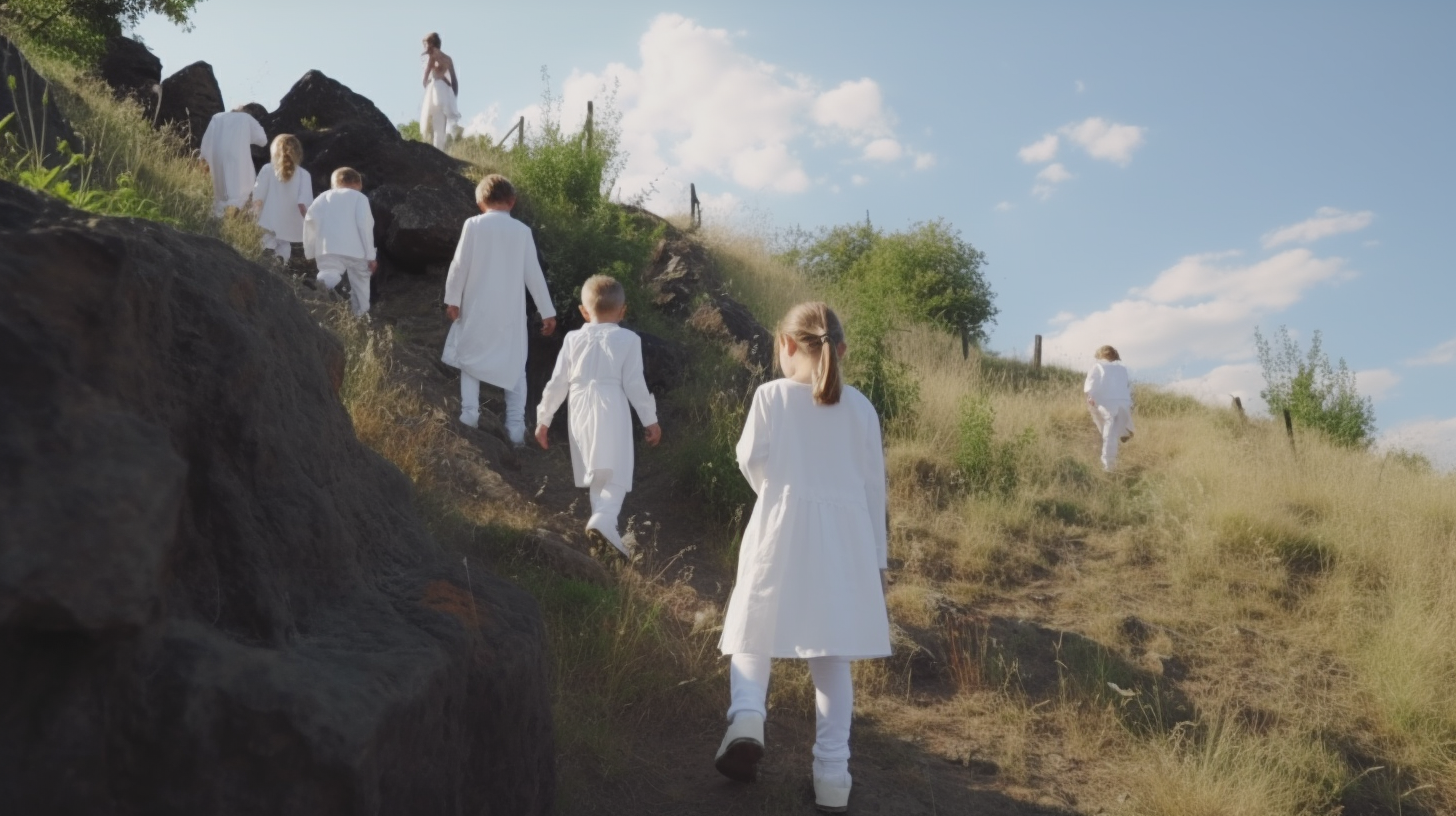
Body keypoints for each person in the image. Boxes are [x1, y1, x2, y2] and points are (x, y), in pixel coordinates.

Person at [715, 301, 891, 814]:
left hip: (780, 525)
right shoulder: (862, 407)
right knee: (832, 655)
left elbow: (750, 460)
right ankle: (833, 774)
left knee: (755, 624)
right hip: (847, 537)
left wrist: (778, 493)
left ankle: (747, 717)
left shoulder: (770, 396)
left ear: (787, 346)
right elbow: (873, 488)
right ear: (841, 349)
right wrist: (877, 560)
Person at [534, 275, 662, 558]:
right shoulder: (628, 339)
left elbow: (557, 382)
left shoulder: (572, 339)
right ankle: (604, 520)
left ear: (583, 311)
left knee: (596, 471)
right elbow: (634, 383)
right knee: (617, 468)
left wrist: (544, 418)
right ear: (623, 310)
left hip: (578, 408)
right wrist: (649, 419)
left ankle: (605, 532)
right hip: (610, 404)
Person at [442, 174, 556, 445]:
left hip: (476, 308)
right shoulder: (522, 232)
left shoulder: (473, 225)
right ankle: (516, 428)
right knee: (516, 366)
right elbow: (534, 275)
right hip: (510, 315)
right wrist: (547, 311)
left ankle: (470, 413)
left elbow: (459, 265)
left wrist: (453, 300)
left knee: (470, 358)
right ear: (512, 201)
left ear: (480, 202)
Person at [302, 167, 377, 317]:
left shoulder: (322, 198)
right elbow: (364, 225)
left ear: (334, 184)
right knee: (360, 283)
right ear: (358, 183)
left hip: (328, 247)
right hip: (357, 250)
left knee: (330, 273)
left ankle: (317, 290)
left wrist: (310, 251)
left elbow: (310, 222)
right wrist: (371, 256)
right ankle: (361, 316)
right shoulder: (359, 198)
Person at [251, 134, 312, 263]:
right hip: (289, 223)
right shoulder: (304, 174)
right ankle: (280, 262)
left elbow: (258, 196)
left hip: (268, 220)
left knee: (266, 241)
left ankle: (268, 259)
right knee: (284, 245)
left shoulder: (267, 169)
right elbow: (303, 204)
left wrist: (253, 215)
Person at [198, 105, 267, 217]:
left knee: (220, 193)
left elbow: (206, 143)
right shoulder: (246, 118)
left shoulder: (217, 117)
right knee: (240, 191)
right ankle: (235, 220)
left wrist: (203, 158)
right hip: (238, 157)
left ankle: (218, 220)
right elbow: (263, 140)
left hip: (218, 157)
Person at [1084, 345, 1135, 472]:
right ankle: (1125, 431)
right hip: (1123, 401)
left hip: (1106, 402)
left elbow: (1091, 383)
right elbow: (1126, 386)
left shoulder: (1098, 366)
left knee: (1108, 432)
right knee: (1113, 429)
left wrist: (1090, 396)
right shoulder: (1122, 369)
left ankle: (1108, 466)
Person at [420, 32, 460, 151]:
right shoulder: (448, 59)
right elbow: (454, 80)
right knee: (441, 123)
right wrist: (453, 96)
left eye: (427, 44)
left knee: (431, 121)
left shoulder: (432, 56)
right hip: (446, 92)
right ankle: (440, 148)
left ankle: (435, 150)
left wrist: (426, 83)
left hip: (435, 89)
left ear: (432, 43)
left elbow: (427, 76)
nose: (426, 47)